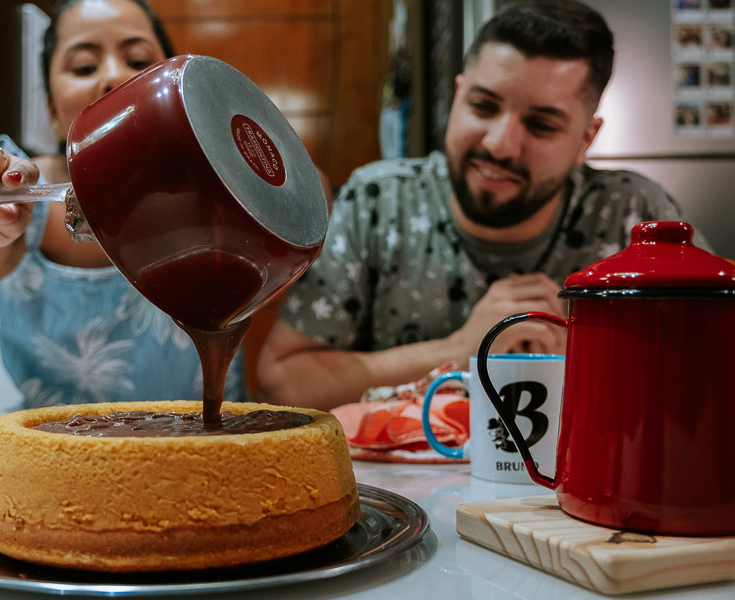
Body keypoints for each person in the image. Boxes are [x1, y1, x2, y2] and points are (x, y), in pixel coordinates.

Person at [256, 0, 711, 411]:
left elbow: (711, 379)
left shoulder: (636, 214)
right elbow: (281, 384)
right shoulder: (379, 201)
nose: (500, 144)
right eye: (483, 105)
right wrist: (461, 348)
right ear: (457, 96)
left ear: (585, 140)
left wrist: (592, 356)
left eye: (540, 124)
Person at [0, 0, 246, 409]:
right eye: (84, 67)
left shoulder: (216, 187)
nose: (113, 76)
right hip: (57, 454)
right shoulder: (19, 189)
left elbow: (310, 199)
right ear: (53, 111)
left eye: (138, 59)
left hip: (214, 451)